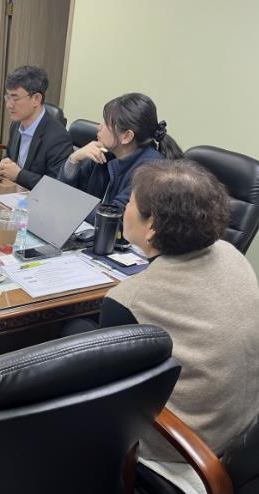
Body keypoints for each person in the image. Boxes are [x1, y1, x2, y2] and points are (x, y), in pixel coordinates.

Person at [100, 161, 259, 492]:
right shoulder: (231, 253)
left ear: (151, 226)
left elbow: (115, 401)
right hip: (244, 425)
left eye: (131, 201)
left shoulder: (129, 299)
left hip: (184, 449)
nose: (125, 207)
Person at [58, 92, 183, 223]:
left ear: (127, 136)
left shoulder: (151, 172)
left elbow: (114, 217)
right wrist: (74, 160)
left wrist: (68, 203)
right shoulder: (104, 154)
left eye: (106, 123)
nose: (99, 127)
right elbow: (61, 193)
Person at [0, 65, 73, 189]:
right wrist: (5, 164)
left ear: (36, 99)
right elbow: (10, 158)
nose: (9, 105)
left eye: (15, 98)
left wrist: (19, 175)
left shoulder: (58, 137)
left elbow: (55, 186)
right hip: (13, 192)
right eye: (8, 97)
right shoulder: (16, 124)